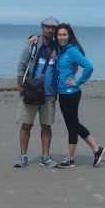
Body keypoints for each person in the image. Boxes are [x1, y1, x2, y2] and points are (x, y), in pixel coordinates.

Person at [53, 23, 105, 169]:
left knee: (72, 125)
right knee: (73, 124)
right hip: (63, 93)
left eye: (64, 34)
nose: (61, 37)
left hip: (70, 94)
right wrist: (33, 37)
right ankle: (96, 150)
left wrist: (78, 82)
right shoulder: (62, 50)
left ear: (69, 36)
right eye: (59, 35)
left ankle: (71, 159)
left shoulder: (72, 51)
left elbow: (89, 67)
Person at [14, 16, 60, 168]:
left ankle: (45, 157)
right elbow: (22, 65)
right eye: (47, 27)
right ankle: (23, 157)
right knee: (26, 125)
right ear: (42, 27)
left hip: (49, 95)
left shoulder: (58, 47)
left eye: (53, 28)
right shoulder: (33, 45)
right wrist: (20, 86)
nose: (50, 30)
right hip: (31, 92)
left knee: (46, 126)